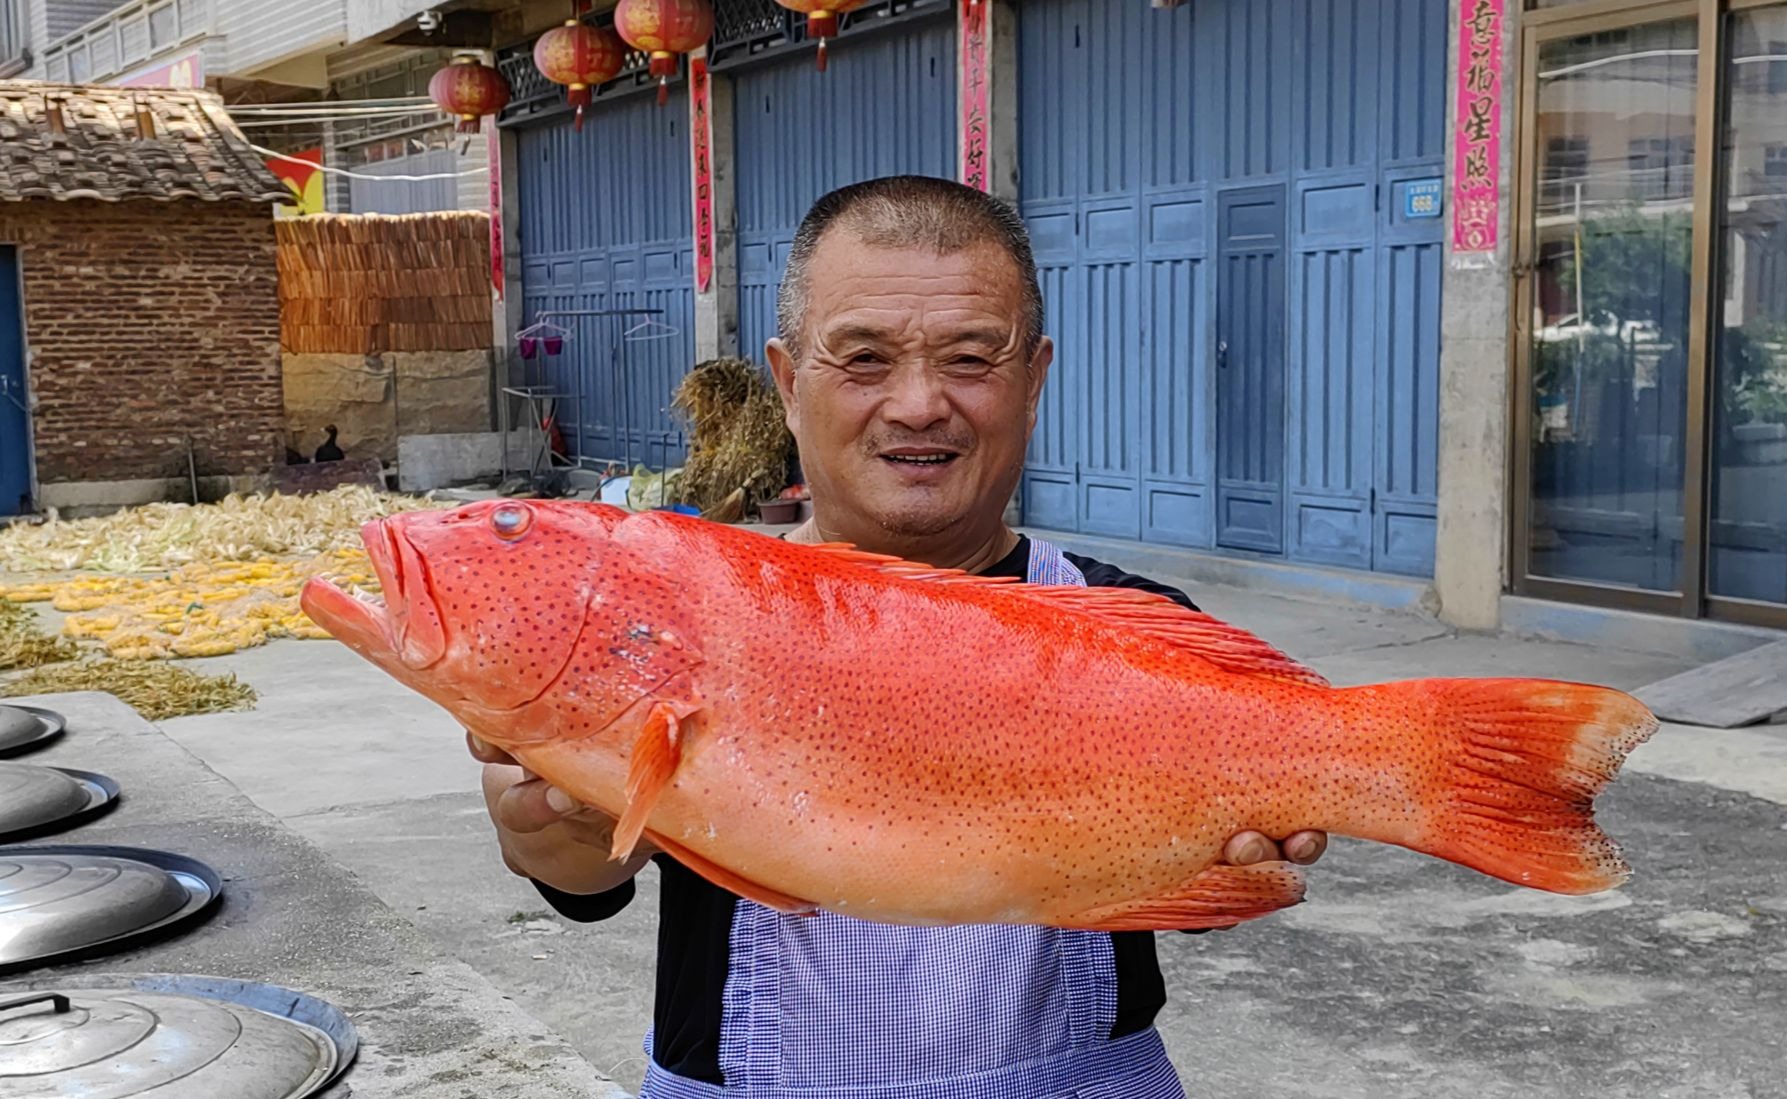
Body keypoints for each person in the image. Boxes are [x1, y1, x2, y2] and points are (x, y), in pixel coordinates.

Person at [469, 175, 1328, 1098]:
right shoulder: (678, 610)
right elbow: (576, 871)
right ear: (790, 383)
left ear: (1033, 381)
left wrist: (1227, 853)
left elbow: (1202, 888)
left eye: (969, 357)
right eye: (865, 358)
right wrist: (558, 826)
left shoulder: (1134, 626)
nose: (918, 404)